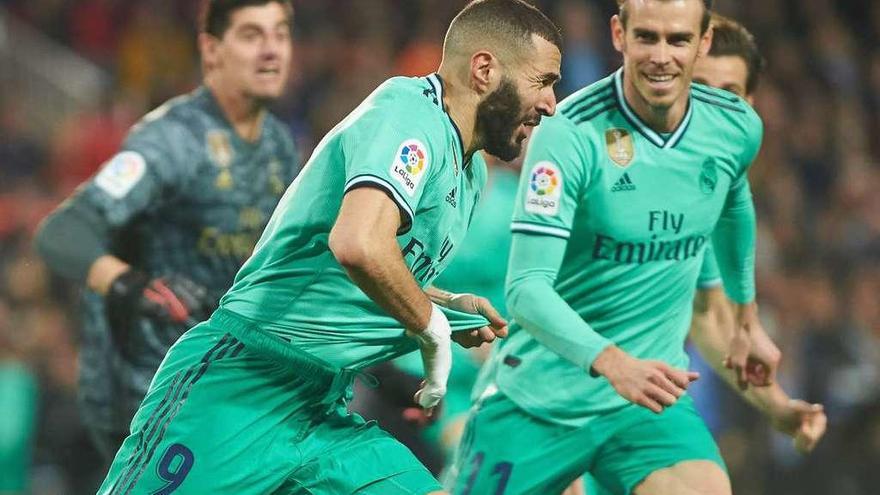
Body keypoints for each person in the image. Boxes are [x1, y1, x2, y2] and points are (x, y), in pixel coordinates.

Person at [97, 0, 562, 493]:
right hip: (244, 386)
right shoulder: (409, 113)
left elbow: (371, 273)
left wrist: (447, 305)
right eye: (543, 81)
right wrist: (432, 330)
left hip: (323, 411)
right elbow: (357, 243)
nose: (552, 103)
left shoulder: (470, 173)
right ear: (485, 70)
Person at [445, 2, 789, 494]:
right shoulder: (568, 134)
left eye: (678, 40)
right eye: (647, 37)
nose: (662, 56)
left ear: (704, 41)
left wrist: (747, 317)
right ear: (618, 34)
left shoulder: (735, 127)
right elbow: (525, 291)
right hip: (540, 401)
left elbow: (735, 207)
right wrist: (614, 363)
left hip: (642, 408)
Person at [34, 0, 299, 459]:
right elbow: (64, 231)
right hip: (149, 397)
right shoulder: (171, 139)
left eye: (280, 34)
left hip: (226, 388)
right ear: (211, 50)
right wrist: (134, 286)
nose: (271, 50)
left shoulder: (279, 146)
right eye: (252, 35)